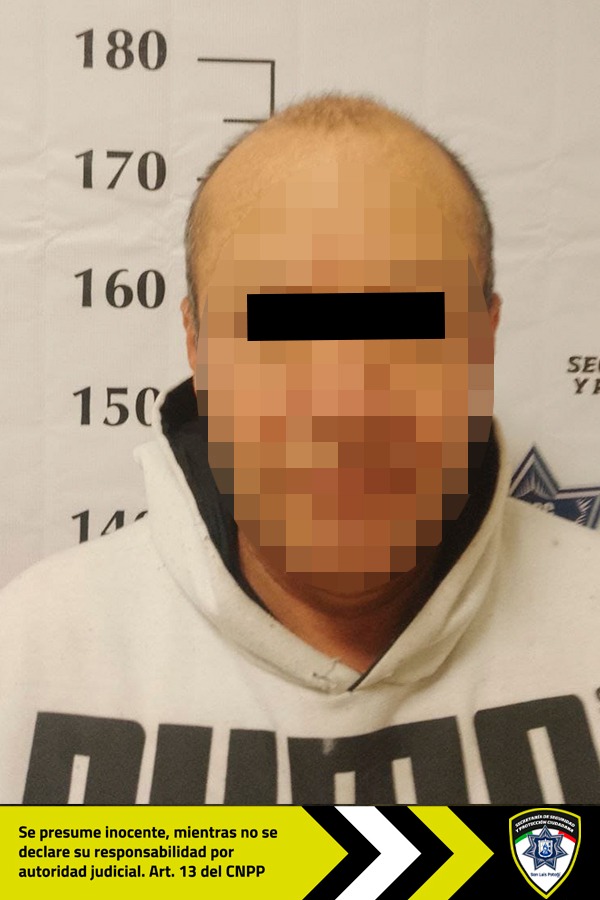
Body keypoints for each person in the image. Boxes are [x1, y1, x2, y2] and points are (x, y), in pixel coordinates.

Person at [1, 95, 600, 806]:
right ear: (196, 346)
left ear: (485, 340)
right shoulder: (31, 657)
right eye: (279, 329)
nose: (344, 403)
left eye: (408, 325)